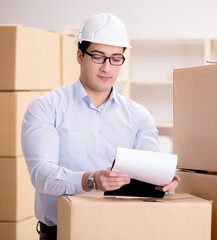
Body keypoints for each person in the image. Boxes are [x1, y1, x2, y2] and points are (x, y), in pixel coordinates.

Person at [21, 12, 180, 240]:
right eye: (98, 56)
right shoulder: (45, 108)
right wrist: (91, 180)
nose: (107, 67)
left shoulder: (139, 116)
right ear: (80, 55)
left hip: (121, 231)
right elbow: (41, 174)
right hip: (62, 233)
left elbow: (150, 168)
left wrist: (163, 180)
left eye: (116, 58)